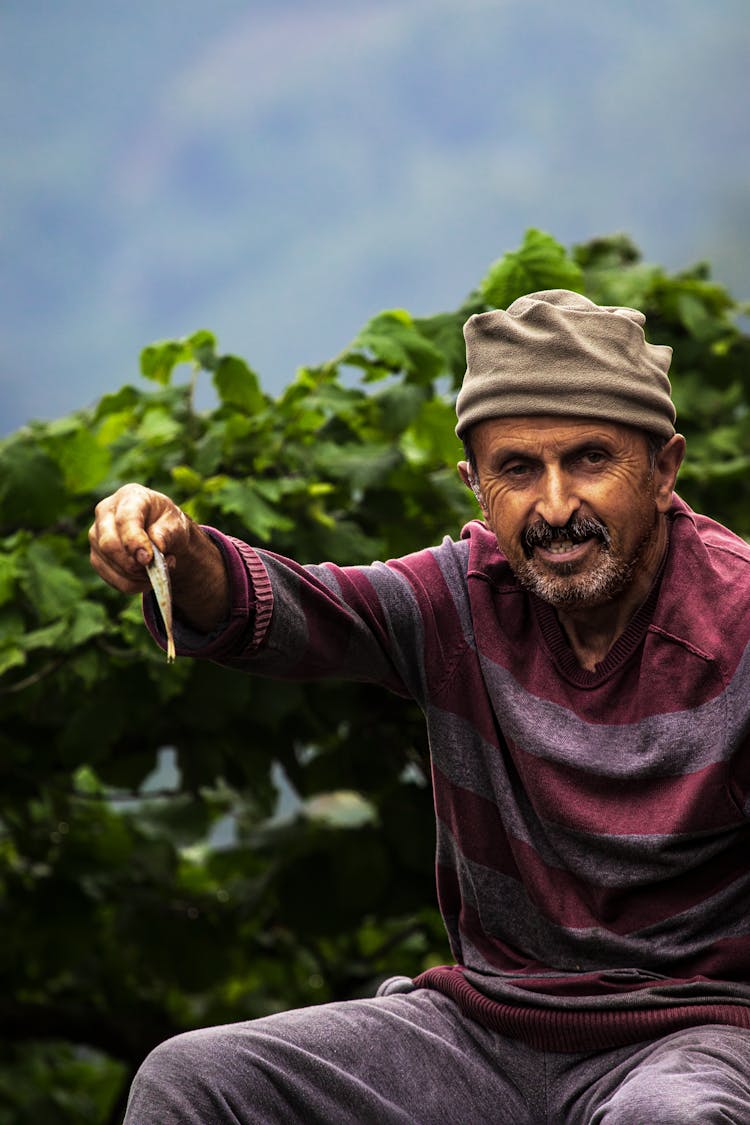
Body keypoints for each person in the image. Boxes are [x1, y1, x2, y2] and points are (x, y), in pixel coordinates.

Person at [89, 290, 750, 1123]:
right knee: (194, 1078)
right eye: (517, 468)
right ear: (475, 486)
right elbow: (301, 613)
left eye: (589, 459)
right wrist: (181, 556)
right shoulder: (461, 599)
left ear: (662, 470)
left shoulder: (740, 624)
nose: (552, 506)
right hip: (485, 1031)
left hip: (697, 1038)